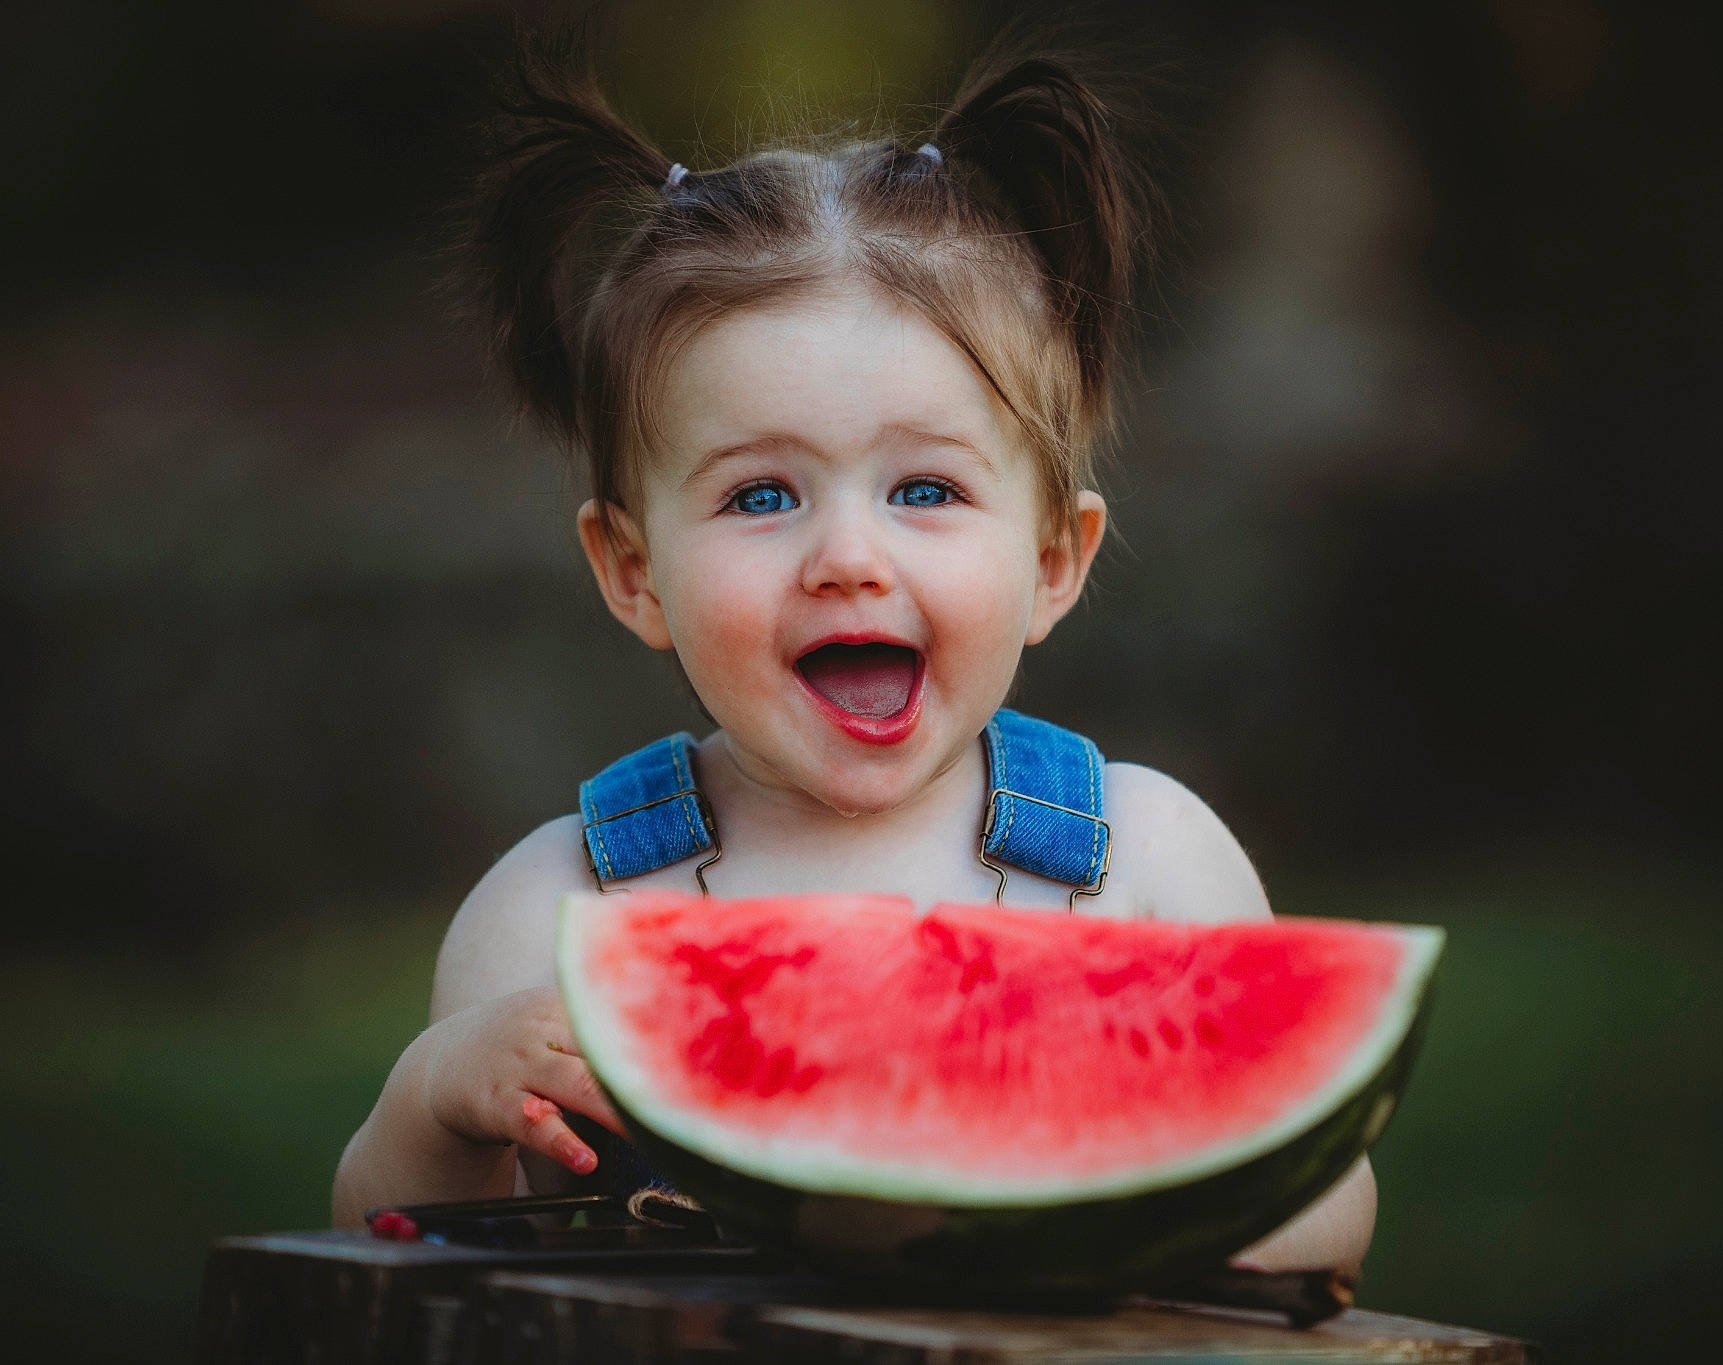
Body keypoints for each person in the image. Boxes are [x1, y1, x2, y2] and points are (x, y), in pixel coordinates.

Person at [332, 25, 1375, 1275]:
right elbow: (398, 1255)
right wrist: (434, 1094)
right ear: (630, 571)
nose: (848, 557)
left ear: (1053, 560)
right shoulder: (555, 915)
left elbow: (1325, 1209)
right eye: (761, 497)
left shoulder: (1144, 868)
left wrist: (1117, 1168)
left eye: (925, 490)